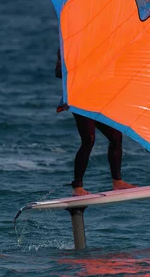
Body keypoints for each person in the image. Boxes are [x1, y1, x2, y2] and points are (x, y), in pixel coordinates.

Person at [55, 49, 137, 196]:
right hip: (79, 99)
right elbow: (58, 72)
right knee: (88, 140)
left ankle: (117, 182)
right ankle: (77, 187)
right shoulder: (70, 44)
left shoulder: (99, 44)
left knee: (116, 137)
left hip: (98, 98)